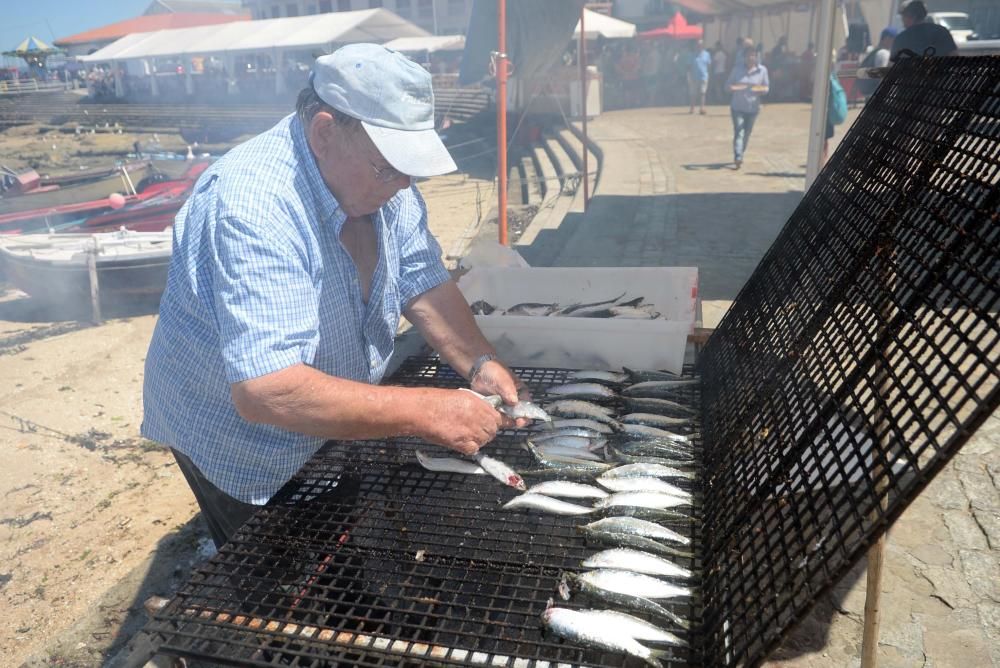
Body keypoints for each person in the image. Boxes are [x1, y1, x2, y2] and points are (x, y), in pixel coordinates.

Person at [141, 44, 527, 548]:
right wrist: (429, 410)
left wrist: (479, 360)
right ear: (324, 131)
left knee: (334, 544)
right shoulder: (252, 207)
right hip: (236, 439)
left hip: (322, 416)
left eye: (410, 167)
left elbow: (420, 275)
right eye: (388, 168)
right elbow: (267, 389)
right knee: (271, 570)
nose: (404, 183)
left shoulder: (384, 181)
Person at [726, 47, 769, 169]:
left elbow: (766, 87)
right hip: (737, 107)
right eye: (748, 55)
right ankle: (738, 156)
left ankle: (741, 152)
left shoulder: (762, 71)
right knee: (739, 131)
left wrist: (761, 90)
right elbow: (728, 85)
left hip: (753, 108)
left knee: (747, 133)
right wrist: (732, 88)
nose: (751, 58)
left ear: (756, 57)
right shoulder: (737, 70)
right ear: (744, 57)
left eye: (753, 55)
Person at [891, 0, 958, 62]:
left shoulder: (901, 38)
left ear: (912, 17)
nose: (902, 20)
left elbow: (891, 66)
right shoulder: (942, 32)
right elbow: (954, 58)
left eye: (904, 16)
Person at [857, 27, 897, 99]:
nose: (895, 42)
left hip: (869, 92)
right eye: (893, 39)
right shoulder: (883, 53)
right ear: (887, 39)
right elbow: (882, 76)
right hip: (875, 94)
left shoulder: (874, 51)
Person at [686, 39, 712, 115]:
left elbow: (709, 65)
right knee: (693, 93)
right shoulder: (691, 55)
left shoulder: (707, 54)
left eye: (700, 45)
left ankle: (702, 108)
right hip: (694, 77)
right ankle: (692, 108)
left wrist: (708, 75)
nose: (699, 46)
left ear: (703, 46)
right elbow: (688, 66)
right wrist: (689, 77)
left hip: (704, 76)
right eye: (697, 45)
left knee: (702, 93)